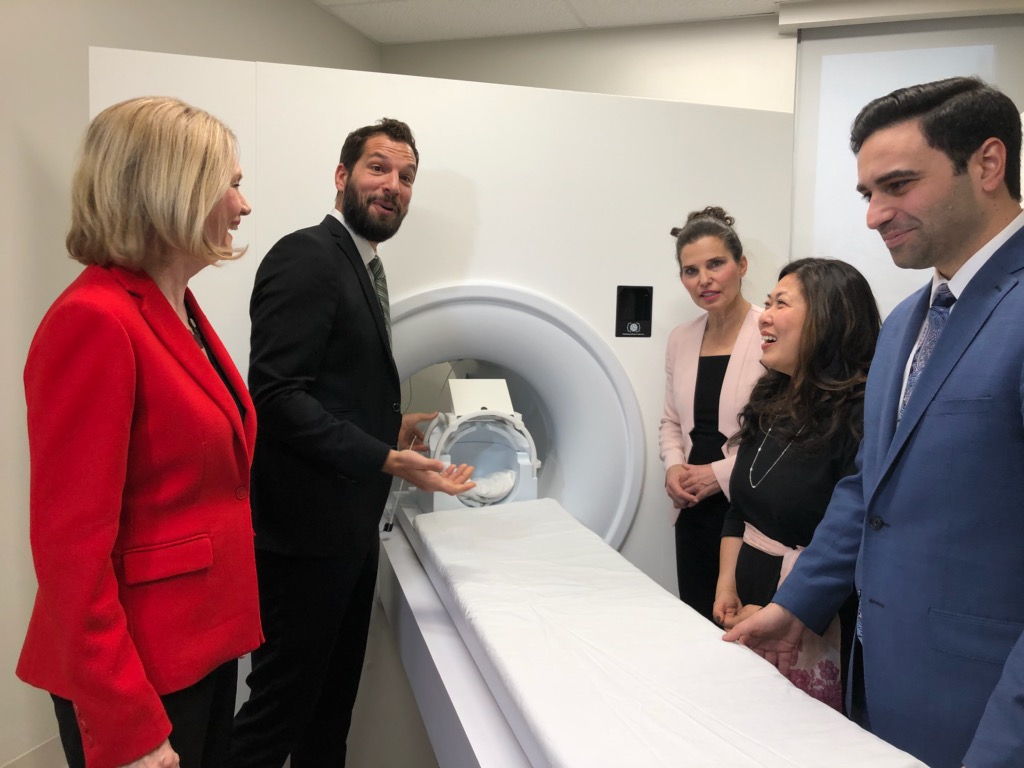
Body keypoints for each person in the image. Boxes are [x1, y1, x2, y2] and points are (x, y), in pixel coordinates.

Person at [724, 76, 1024, 768]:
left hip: (986, 712)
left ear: (987, 164)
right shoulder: (906, 326)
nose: (874, 215)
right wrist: (797, 605)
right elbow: (869, 490)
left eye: (897, 185)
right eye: (867, 194)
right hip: (882, 686)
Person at [16, 96, 260, 768]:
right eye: (232, 183)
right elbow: (71, 552)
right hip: (136, 669)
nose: (243, 207)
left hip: (198, 647)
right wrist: (127, 723)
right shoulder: (93, 321)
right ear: (172, 189)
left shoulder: (175, 308)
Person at [231, 118, 475, 767]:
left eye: (405, 176)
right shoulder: (306, 255)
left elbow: (328, 389)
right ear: (342, 177)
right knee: (278, 712)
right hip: (303, 537)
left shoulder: (360, 267)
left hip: (345, 530)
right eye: (377, 168)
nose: (392, 185)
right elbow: (278, 396)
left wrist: (393, 426)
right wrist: (387, 459)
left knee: (329, 708)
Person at [713, 258, 879, 710]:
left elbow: (855, 535)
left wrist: (780, 608)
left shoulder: (863, 416)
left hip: (814, 613)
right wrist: (726, 583)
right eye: (766, 302)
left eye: (779, 304)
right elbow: (740, 507)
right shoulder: (771, 399)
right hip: (748, 594)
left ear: (828, 319)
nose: (763, 315)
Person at [659, 206, 764, 622]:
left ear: (741, 265)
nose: (703, 279)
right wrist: (673, 468)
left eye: (716, 264)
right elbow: (670, 421)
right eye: (690, 270)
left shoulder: (770, 331)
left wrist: (717, 475)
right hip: (691, 507)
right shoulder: (681, 339)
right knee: (697, 620)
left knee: (737, 627)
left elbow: (784, 436)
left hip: (747, 506)